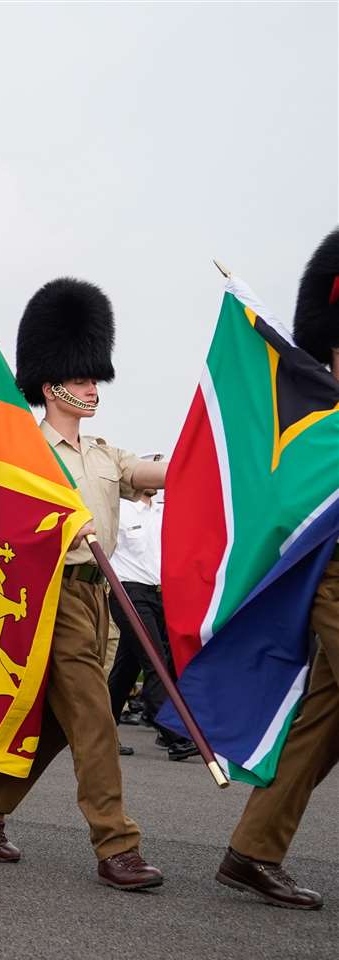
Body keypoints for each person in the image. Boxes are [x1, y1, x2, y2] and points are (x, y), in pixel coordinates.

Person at [0, 278, 167, 891]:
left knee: (56, 722)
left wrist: (210, 464)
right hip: (47, 595)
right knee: (94, 715)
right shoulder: (23, 450)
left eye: (96, 380)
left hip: (99, 593)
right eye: (83, 379)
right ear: (52, 384)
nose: (93, 389)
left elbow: (152, 472)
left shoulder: (102, 451)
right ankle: (116, 844)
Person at [216, 227, 339, 910]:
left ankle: (253, 852)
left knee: (326, 719)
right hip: (331, 578)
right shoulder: (314, 414)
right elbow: (284, 504)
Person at [106, 468, 197, 761]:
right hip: (128, 593)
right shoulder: (118, 509)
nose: (157, 482)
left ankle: (100, 734)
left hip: (159, 594)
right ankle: (175, 736)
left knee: (126, 670)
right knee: (155, 661)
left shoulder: (161, 511)